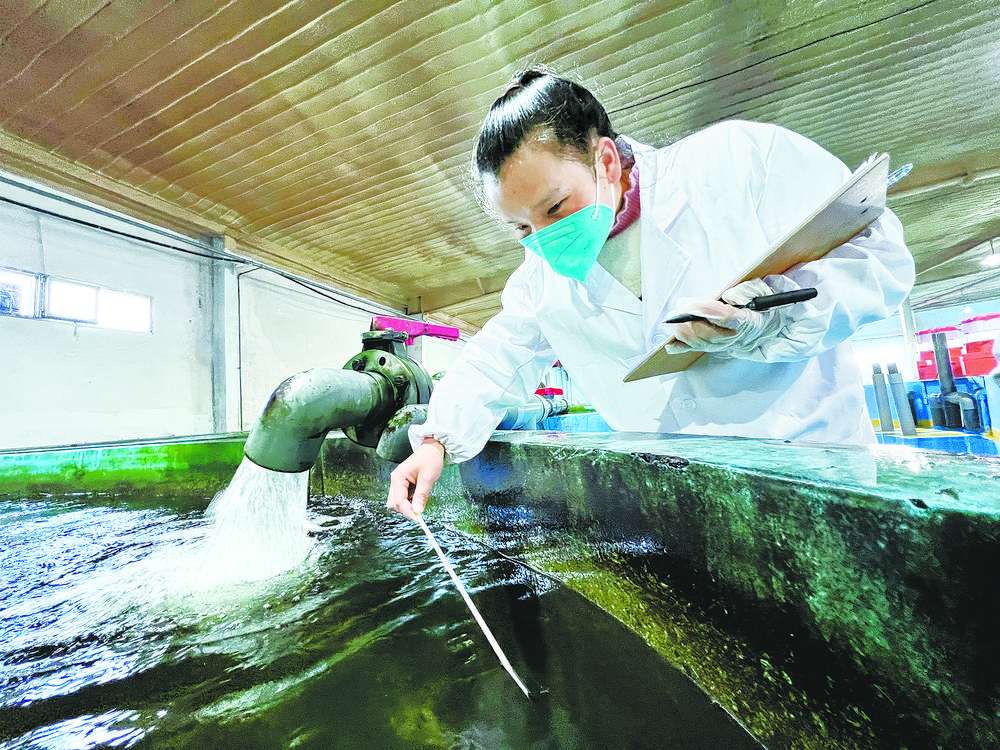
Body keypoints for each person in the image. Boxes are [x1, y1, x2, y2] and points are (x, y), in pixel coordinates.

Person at [387, 68, 914, 521]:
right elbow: (498, 359)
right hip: (683, 506)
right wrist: (436, 442)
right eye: (522, 228)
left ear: (606, 161)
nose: (543, 239)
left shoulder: (740, 162)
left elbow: (880, 259)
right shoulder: (539, 282)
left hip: (815, 473)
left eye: (555, 208)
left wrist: (775, 315)